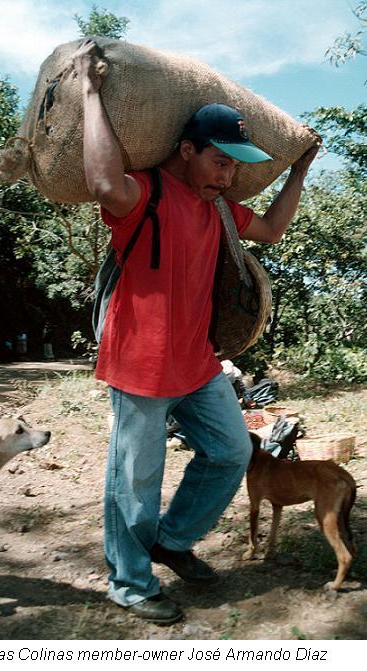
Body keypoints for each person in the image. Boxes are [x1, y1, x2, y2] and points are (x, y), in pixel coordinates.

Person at [74, 40, 320, 625]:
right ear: (187, 150)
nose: (228, 173)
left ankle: (173, 540)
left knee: (233, 450)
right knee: (134, 482)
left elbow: (272, 231)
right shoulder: (148, 193)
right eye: (219, 160)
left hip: (198, 362)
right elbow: (106, 186)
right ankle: (131, 583)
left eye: (235, 164)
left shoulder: (219, 209)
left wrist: (300, 171)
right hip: (140, 364)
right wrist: (89, 90)